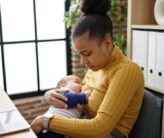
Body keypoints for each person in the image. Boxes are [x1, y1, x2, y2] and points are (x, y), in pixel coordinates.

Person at [31, 0, 144, 137]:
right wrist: (50, 95)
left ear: (107, 44)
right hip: (82, 122)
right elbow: (81, 100)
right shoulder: (98, 66)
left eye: (87, 54)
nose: (84, 61)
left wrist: (46, 122)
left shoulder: (127, 70)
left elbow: (100, 128)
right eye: (80, 55)